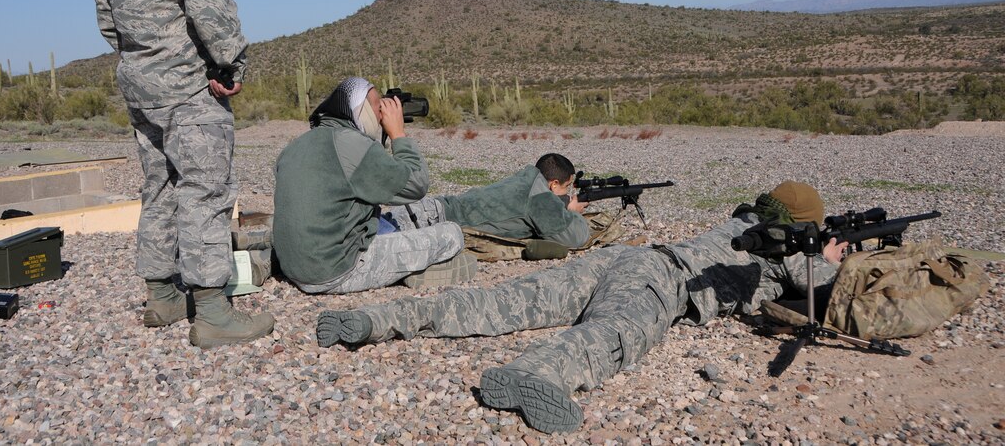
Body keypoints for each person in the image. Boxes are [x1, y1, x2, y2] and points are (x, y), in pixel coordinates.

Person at [316, 181, 846, 433]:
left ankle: (376, 320)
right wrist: (829, 256)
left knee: (501, 301)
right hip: (660, 278)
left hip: (625, 257)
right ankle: (535, 373)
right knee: (616, 331)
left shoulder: (746, 228)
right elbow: (815, 290)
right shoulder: (784, 256)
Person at [95, 0, 274, 348]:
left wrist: (143, 57)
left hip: (139, 82)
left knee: (159, 186)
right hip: (188, 87)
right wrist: (230, 63)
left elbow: (108, 21)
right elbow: (211, 9)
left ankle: (162, 297)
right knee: (206, 190)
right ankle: (214, 312)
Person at [273, 77, 475, 294]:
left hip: (296, 266)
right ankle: (414, 274)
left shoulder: (296, 145)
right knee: (452, 233)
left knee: (417, 212)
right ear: (360, 111)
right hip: (335, 271)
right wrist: (398, 134)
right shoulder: (350, 143)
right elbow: (416, 184)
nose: (384, 114)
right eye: (379, 106)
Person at [417, 152, 590, 248]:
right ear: (553, 184)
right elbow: (573, 238)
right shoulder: (539, 196)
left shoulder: (526, 180)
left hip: (430, 210)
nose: (567, 192)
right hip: (431, 224)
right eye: (566, 187)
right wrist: (573, 212)